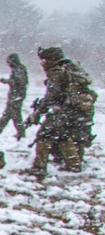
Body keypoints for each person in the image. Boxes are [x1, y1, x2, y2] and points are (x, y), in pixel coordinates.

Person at [25, 46, 97, 177]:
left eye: (44, 61)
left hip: (65, 110)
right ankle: (74, 165)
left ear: (51, 60)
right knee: (61, 135)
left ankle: (39, 167)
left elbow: (51, 97)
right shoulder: (71, 68)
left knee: (44, 135)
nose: (43, 64)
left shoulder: (57, 71)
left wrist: (36, 115)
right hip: (76, 110)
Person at [0, 53, 28, 140]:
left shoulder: (18, 69)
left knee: (14, 115)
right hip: (16, 96)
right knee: (10, 114)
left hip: (16, 96)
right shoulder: (18, 68)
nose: (8, 64)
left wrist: (7, 81)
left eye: (9, 62)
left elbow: (19, 82)